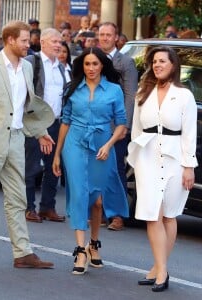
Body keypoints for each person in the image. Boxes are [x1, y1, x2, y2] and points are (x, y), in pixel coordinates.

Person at [0, 20, 55, 270]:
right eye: (24, 40)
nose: (27, 44)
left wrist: (41, 132)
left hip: (17, 140)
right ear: (10, 40)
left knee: (18, 199)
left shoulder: (27, 68)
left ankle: (23, 253)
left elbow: (26, 107)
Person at [52, 47, 129, 275]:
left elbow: (122, 123)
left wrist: (108, 144)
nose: (91, 68)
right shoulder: (73, 89)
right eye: (87, 64)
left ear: (102, 65)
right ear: (82, 66)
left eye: (95, 64)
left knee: (96, 200)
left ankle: (94, 244)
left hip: (102, 144)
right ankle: (80, 249)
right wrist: (57, 154)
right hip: (74, 144)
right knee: (78, 193)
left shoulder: (114, 90)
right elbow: (65, 121)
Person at [127, 46, 198, 292]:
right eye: (154, 61)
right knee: (152, 213)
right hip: (147, 158)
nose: (157, 65)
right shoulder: (142, 93)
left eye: (162, 61)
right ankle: (163, 271)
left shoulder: (184, 95)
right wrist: (135, 159)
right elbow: (136, 129)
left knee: (169, 214)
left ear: (173, 65)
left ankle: (158, 268)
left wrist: (189, 166)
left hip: (174, 159)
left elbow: (189, 133)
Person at [98, 21, 138, 231]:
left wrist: (124, 125)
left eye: (108, 35)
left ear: (116, 38)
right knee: (97, 169)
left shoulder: (126, 62)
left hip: (116, 126)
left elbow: (130, 96)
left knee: (115, 170)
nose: (104, 38)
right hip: (95, 124)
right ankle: (100, 212)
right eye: (101, 34)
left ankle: (118, 215)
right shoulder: (93, 59)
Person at [24, 28, 66, 223]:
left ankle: (47, 207)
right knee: (31, 166)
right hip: (35, 123)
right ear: (42, 42)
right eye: (54, 41)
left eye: (60, 41)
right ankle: (28, 207)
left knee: (54, 167)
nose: (58, 45)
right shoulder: (33, 63)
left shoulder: (62, 67)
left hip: (57, 123)